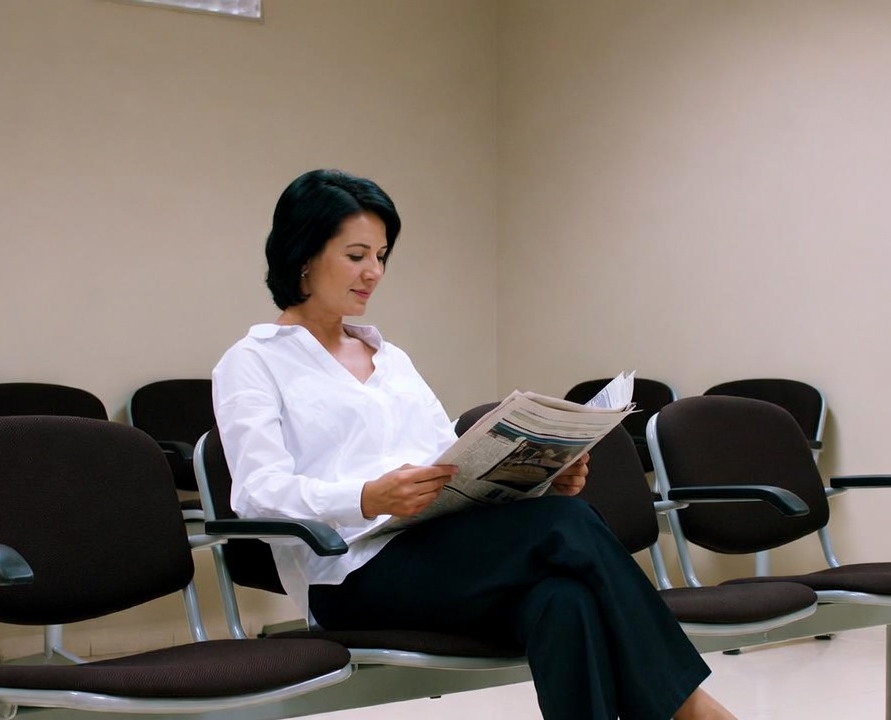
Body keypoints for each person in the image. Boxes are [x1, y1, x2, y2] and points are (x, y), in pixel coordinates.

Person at [212, 168, 736, 720]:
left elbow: (450, 462)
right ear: (303, 254)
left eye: (382, 256)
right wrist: (367, 497)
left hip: (440, 553)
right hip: (349, 575)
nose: (374, 272)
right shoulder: (253, 362)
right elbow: (256, 493)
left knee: (565, 601)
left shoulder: (392, 359)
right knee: (568, 524)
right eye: (356, 255)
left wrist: (538, 478)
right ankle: (693, 708)